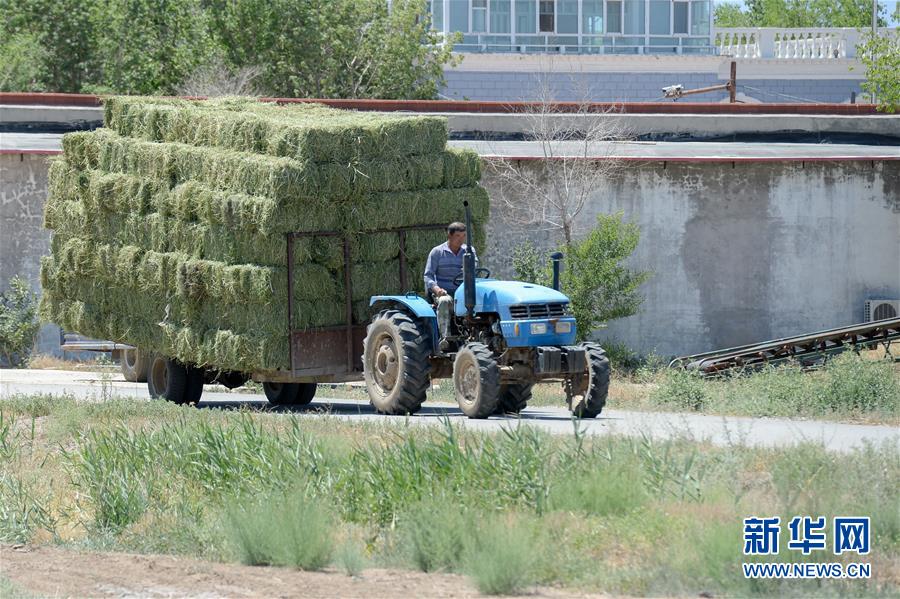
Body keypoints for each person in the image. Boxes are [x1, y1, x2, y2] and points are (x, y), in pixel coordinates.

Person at [423, 221, 477, 342]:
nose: (461, 239)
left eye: (463, 236)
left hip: (464, 292)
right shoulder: (437, 252)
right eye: (458, 236)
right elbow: (428, 276)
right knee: (444, 301)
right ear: (450, 236)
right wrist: (437, 290)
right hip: (446, 292)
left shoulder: (469, 251)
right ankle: (445, 338)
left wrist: (469, 268)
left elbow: (474, 268)